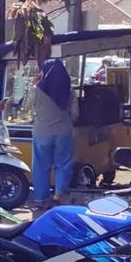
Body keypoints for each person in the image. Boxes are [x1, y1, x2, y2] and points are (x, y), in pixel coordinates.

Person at [32, 59, 77, 208]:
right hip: (63, 131)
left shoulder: (38, 89)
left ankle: (40, 199)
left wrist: (34, 83)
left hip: (42, 132)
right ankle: (58, 196)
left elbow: (25, 106)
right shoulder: (70, 91)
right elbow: (76, 114)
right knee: (63, 164)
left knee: (40, 165)